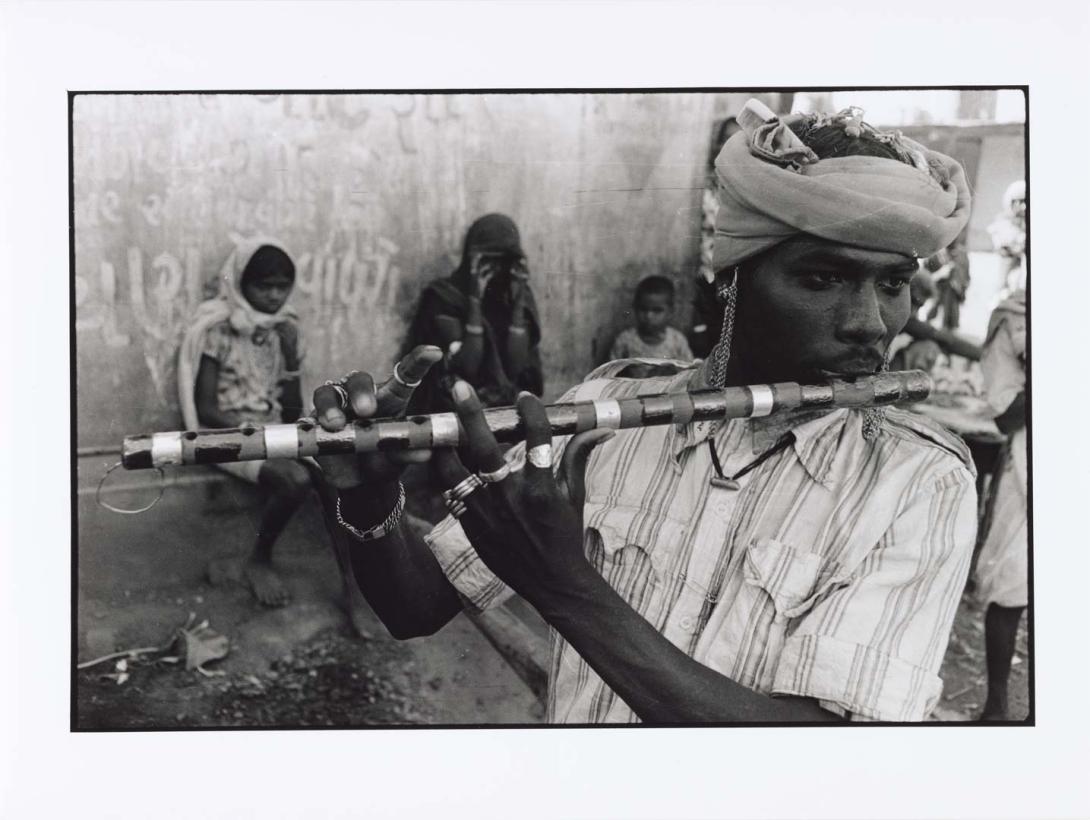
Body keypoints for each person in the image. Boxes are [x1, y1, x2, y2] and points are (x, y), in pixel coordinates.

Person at [313, 99, 977, 723]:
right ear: (733, 274)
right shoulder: (606, 410)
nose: (869, 323)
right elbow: (413, 606)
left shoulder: (920, 483)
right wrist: (373, 498)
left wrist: (564, 586)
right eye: (822, 278)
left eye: (892, 283)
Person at [178, 239, 371, 634]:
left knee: (336, 477)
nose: (274, 295)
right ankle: (259, 560)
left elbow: (289, 409)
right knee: (294, 479)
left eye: (282, 286)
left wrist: (291, 357)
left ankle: (354, 584)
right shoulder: (218, 330)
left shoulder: (284, 329)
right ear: (242, 286)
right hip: (228, 435)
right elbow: (207, 409)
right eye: (264, 286)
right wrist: (263, 435)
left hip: (272, 432)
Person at [401, 213, 544, 412]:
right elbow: (467, 367)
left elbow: (515, 369)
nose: (496, 268)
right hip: (452, 408)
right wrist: (475, 300)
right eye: (488, 260)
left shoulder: (515, 294)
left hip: (504, 409)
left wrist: (519, 301)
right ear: (471, 257)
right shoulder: (443, 297)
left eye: (503, 260)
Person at [972, 288, 1028, 720]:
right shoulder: (1014, 318)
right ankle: (997, 705)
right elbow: (1006, 414)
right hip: (1027, 469)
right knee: (1012, 585)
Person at [691, 116, 742, 359]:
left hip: (732, 275)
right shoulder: (702, 184)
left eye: (737, 140)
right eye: (725, 140)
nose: (730, 146)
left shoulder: (745, 188)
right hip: (703, 272)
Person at [608, 275, 693, 362]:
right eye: (643, 309)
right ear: (635, 308)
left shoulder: (677, 341)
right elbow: (610, 371)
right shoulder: (625, 340)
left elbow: (689, 370)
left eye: (657, 310)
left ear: (670, 312)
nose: (649, 316)